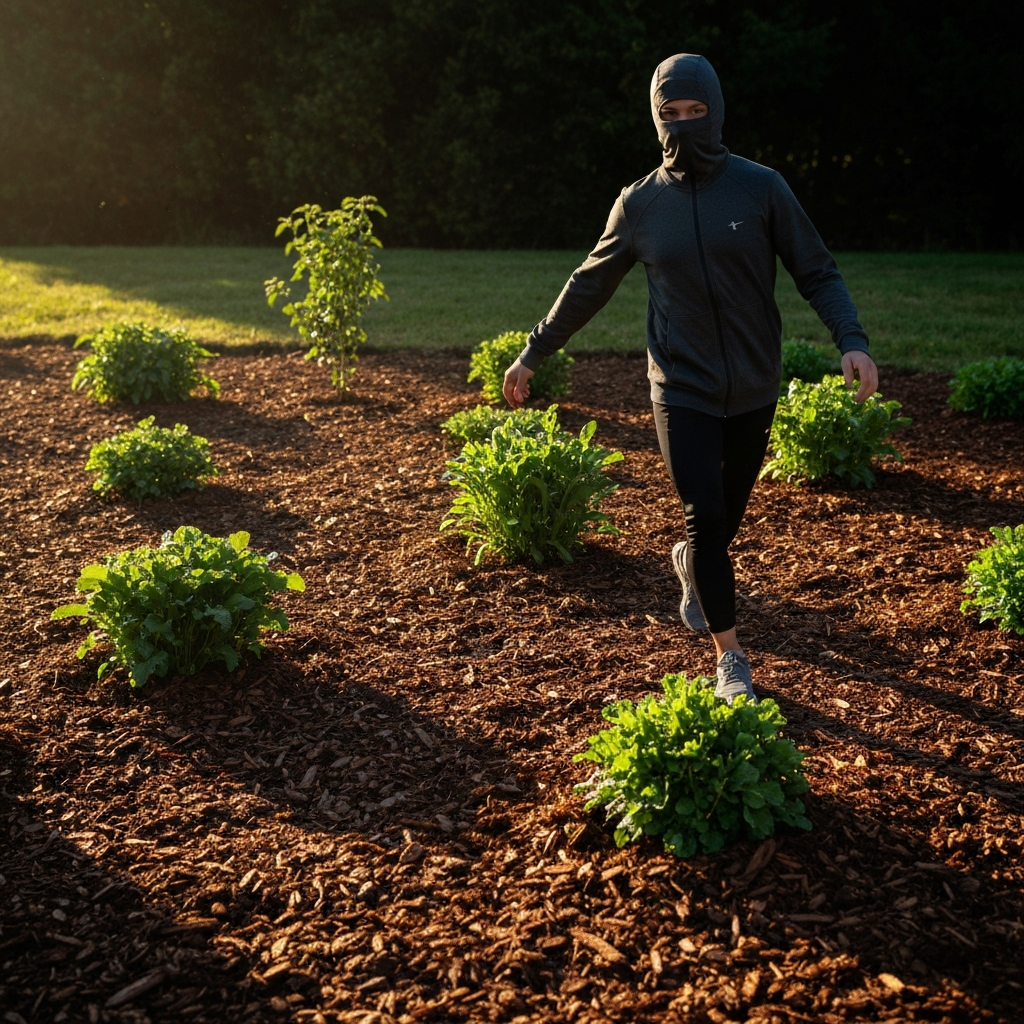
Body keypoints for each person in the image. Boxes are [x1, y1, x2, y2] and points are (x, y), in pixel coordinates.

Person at [502, 53, 878, 704]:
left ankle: (690, 566)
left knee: (724, 521)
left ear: (716, 111)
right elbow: (588, 285)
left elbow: (817, 270)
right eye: (668, 115)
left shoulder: (761, 189)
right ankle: (730, 657)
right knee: (705, 517)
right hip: (680, 388)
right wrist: (534, 352)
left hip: (755, 384)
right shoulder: (641, 204)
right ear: (655, 120)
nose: (682, 125)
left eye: (694, 112)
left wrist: (852, 341)